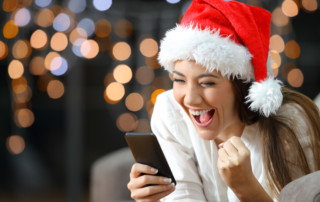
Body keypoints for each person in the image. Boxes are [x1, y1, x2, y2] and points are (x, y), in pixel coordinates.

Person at [127, 0, 320, 201]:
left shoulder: (290, 124)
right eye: (179, 79)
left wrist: (245, 187)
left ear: (241, 86)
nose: (190, 99)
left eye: (207, 83)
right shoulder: (169, 111)